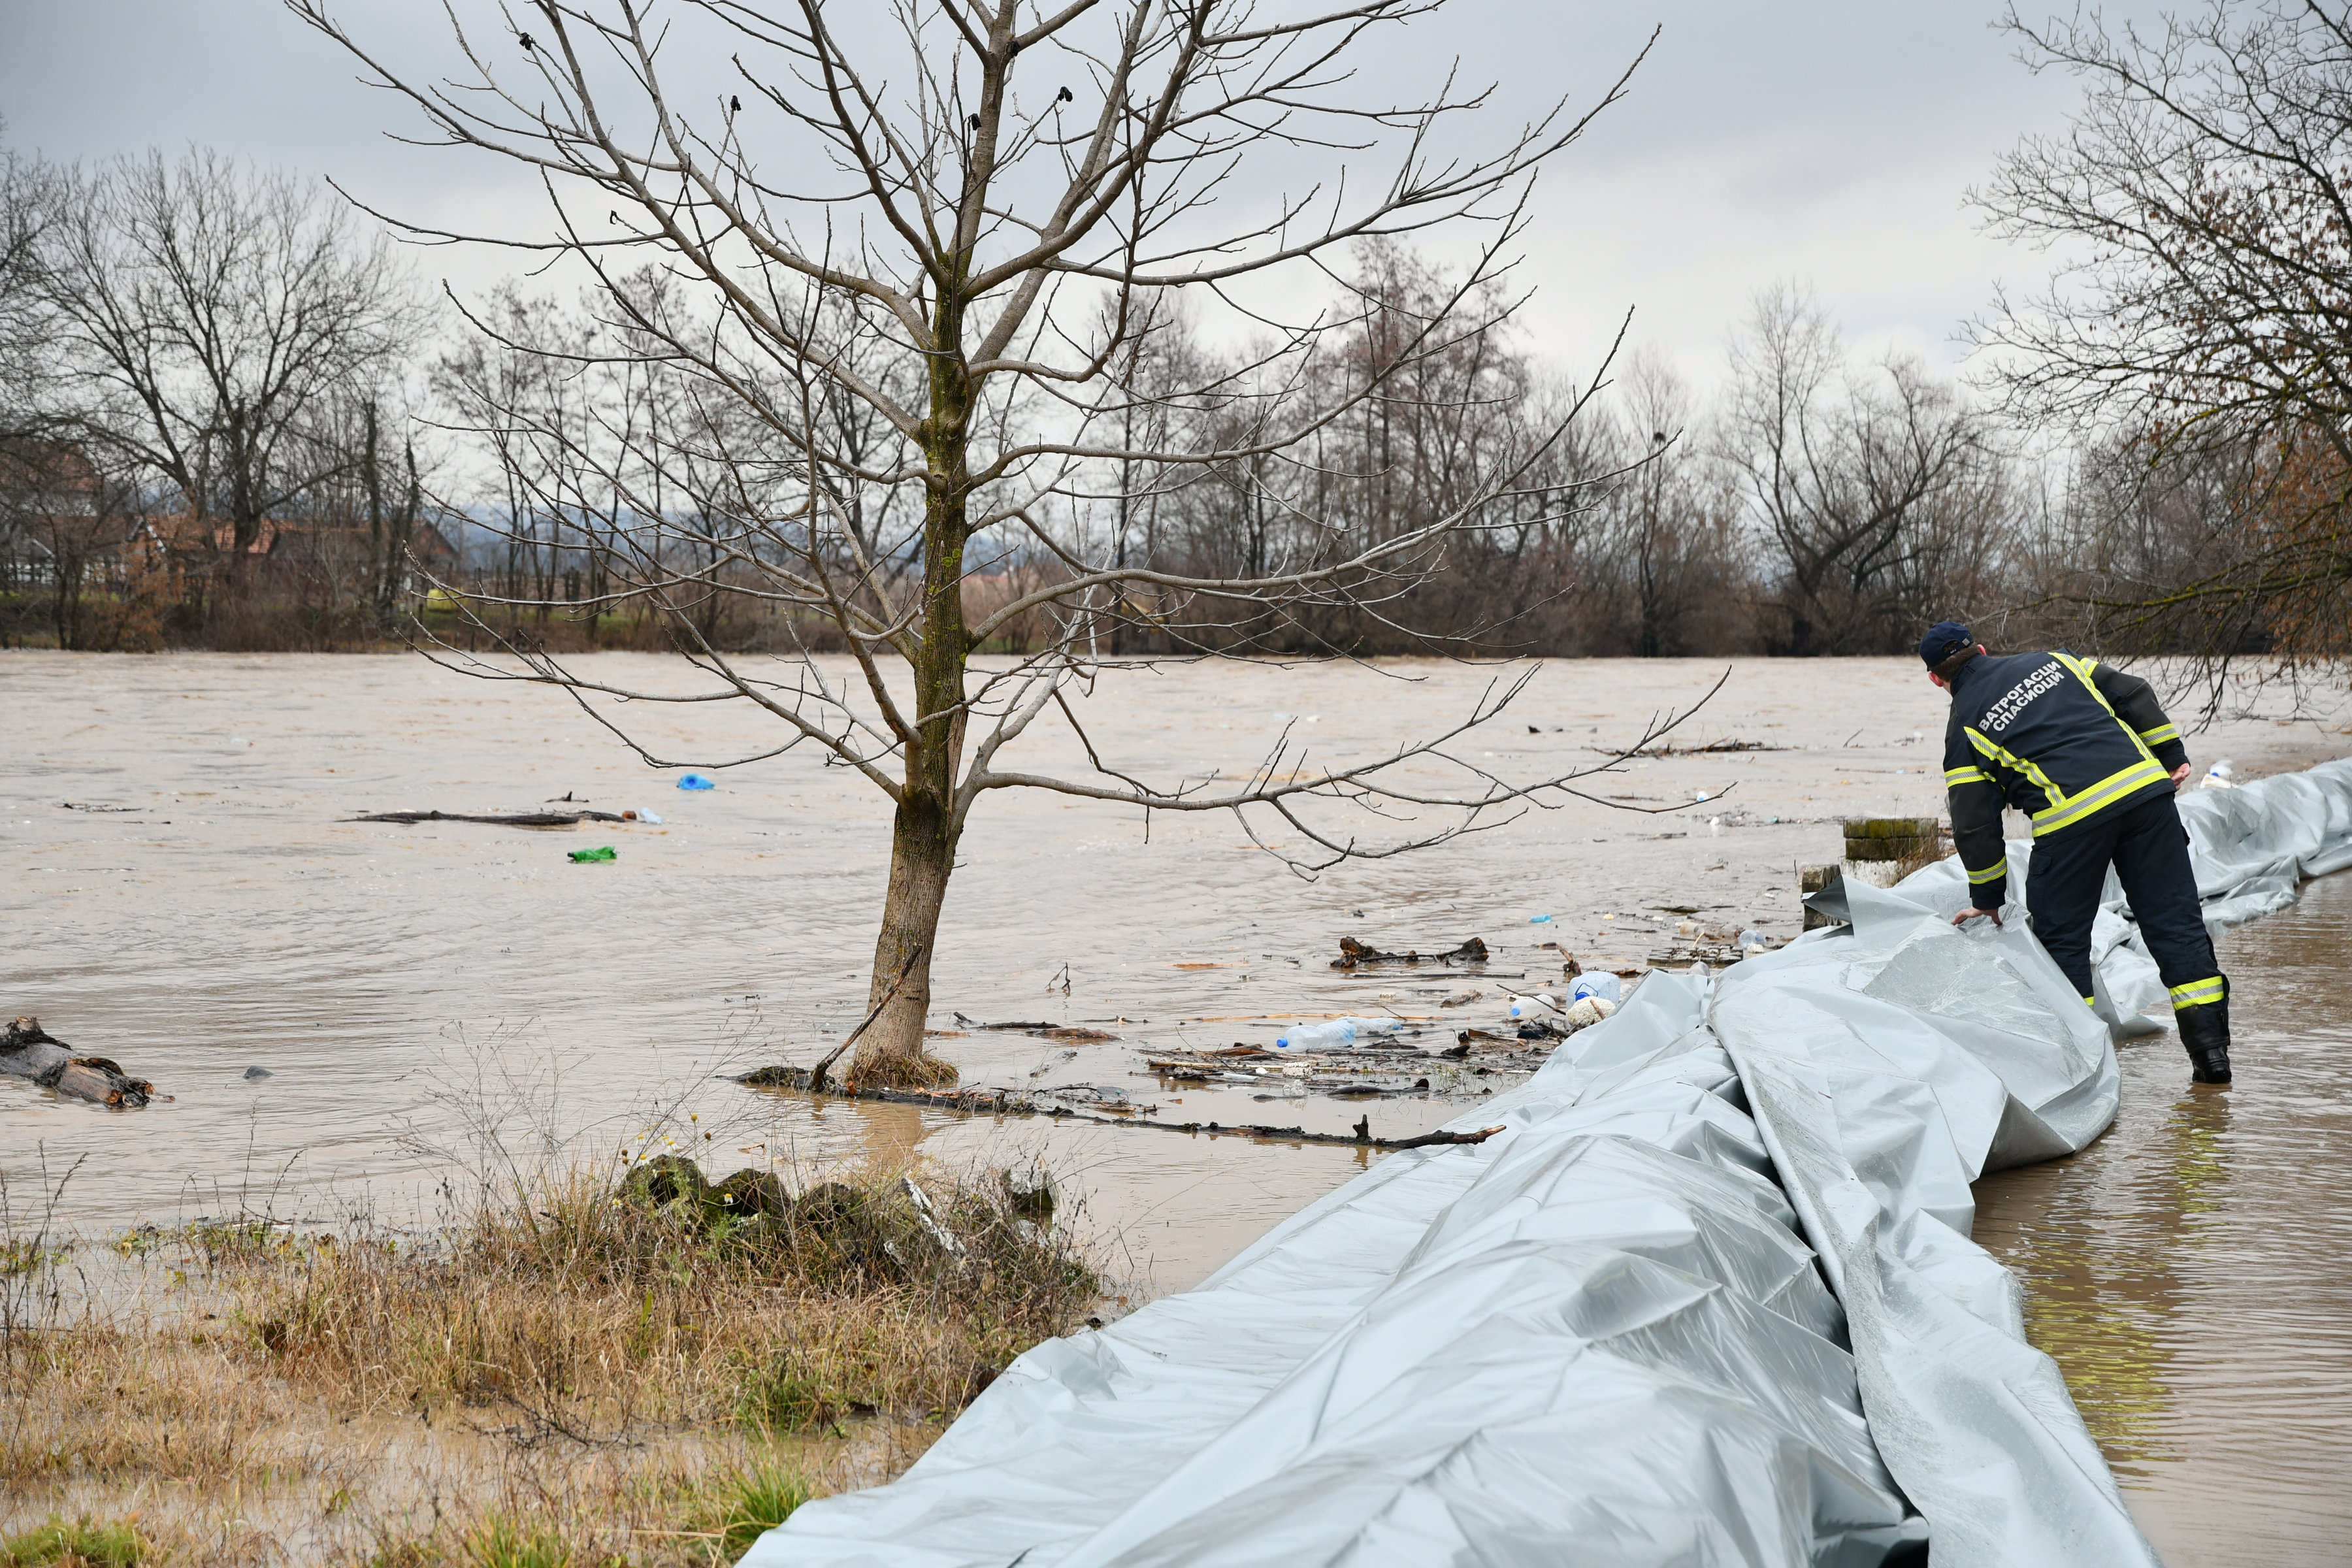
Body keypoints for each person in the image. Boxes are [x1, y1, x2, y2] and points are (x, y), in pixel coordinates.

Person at [1921, 621, 2230, 1084]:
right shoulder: (2057, 661)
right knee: (2177, 927)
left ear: (1935, 679)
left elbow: (1975, 824)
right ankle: (2213, 1063)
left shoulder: (1963, 726)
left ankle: (2085, 1077)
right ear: (1984, 649)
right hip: (2147, 798)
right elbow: (2132, 691)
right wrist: (2169, 754)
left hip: (2072, 824)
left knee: (2063, 948)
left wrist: (1987, 896)